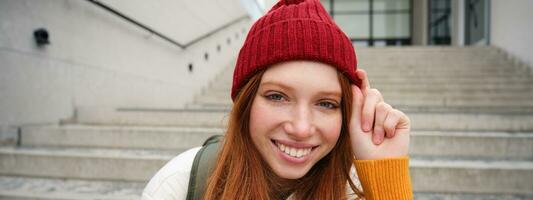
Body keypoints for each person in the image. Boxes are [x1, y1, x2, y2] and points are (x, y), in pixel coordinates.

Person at [142, 0, 412, 199]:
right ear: (246, 103)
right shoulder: (178, 185)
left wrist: (385, 175)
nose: (301, 128)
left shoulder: (357, 190)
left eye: (326, 103)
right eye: (277, 96)